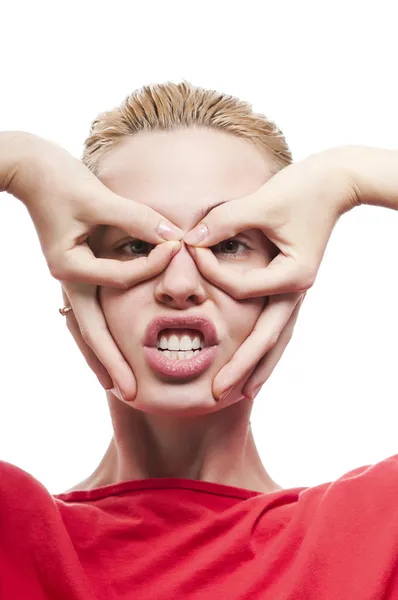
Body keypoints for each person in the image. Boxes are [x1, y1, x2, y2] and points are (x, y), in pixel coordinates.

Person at [0, 81, 397, 599]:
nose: (181, 286)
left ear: (287, 284)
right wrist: (18, 161)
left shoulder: (377, 531)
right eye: (135, 243)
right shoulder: (13, 533)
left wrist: (350, 175)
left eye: (229, 243)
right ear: (78, 282)